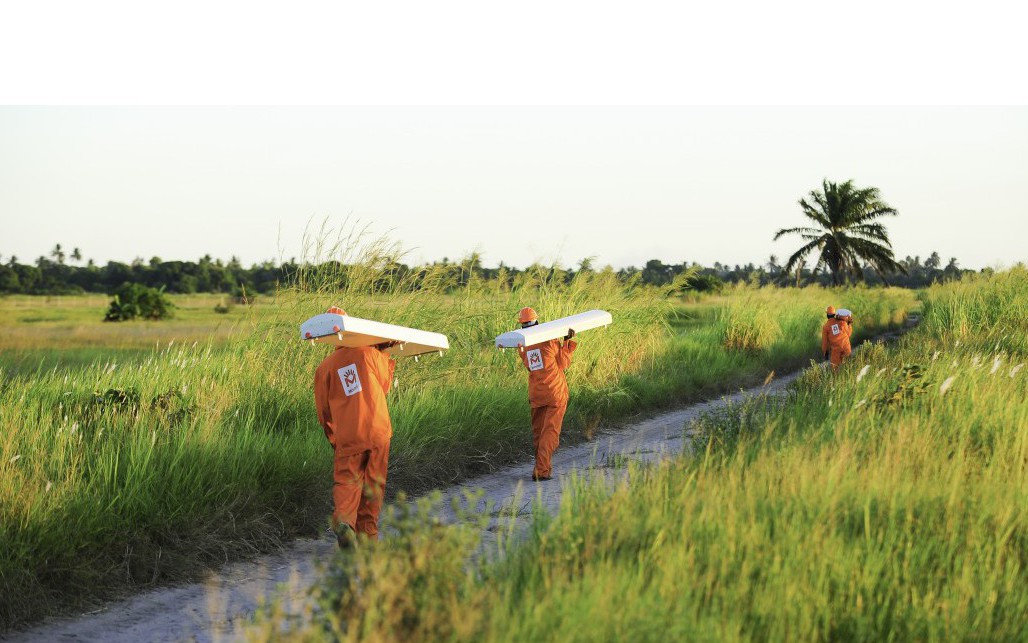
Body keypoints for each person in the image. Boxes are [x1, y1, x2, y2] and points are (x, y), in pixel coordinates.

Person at [313, 306, 397, 549]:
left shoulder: (324, 368)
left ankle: (345, 523)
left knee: (347, 482)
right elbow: (384, 386)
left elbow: (323, 412)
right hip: (378, 430)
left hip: (349, 436)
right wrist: (383, 352)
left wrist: (334, 438)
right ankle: (367, 538)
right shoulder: (370, 354)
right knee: (373, 485)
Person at [516, 307, 577, 481]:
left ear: (522, 325)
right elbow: (563, 363)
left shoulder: (523, 345)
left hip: (537, 395)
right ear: (537, 321)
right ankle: (542, 471)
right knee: (550, 433)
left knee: (539, 434)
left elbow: (530, 366)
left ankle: (543, 468)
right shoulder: (550, 340)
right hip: (555, 393)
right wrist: (566, 343)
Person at [821, 305, 852, 372]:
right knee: (848, 367)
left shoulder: (826, 327)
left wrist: (825, 352)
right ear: (834, 314)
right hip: (846, 347)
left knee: (835, 370)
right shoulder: (842, 322)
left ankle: (838, 380)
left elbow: (824, 341)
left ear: (827, 315)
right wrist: (849, 324)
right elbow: (849, 334)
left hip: (836, 350)